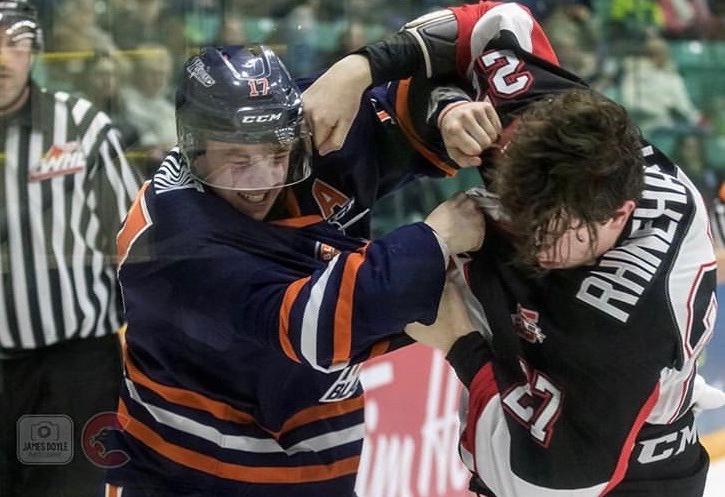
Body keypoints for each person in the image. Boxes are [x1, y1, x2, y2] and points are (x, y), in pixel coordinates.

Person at [305, 2, 725, 495]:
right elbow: (495, 23)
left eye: (550, 232)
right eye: (519, 212)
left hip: (628, 475)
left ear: (620, 216)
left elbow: (544, 484)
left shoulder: (627, 319)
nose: (530, 242)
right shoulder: (552, 129)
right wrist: (368, 72)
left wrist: (460, 344)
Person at [104, 44, 492, 496]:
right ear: (193, 145)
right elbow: (315, 327)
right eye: (238, 159)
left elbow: (414, 95)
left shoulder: (301, 128)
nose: (264, 178)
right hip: (185, 473)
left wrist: (446, 113)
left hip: (321, 462)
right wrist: (435, 239)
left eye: (275, 153)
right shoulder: (174, 235)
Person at [0, 1, 140, 496]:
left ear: (35, 50)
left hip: (71, 369)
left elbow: (134, 243)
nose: (1, 58)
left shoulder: (84, 128)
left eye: (16, 43)